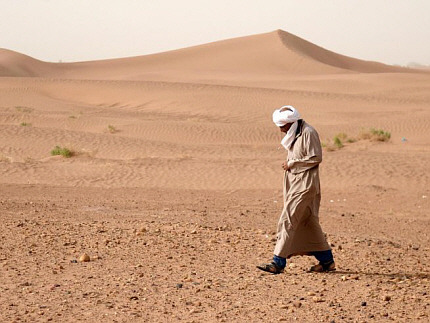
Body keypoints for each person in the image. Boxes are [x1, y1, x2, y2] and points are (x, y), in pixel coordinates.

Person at [257, 105, 335, 274]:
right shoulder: (296, 133)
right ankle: (327, 261)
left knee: (288, 219)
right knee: (308, 222)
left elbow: (316, 157)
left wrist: (292, 164)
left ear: (291, 123)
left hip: (305, 185)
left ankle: (278, 262)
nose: (280, 130)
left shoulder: (308, 132)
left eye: (282, 126)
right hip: (296, 183)